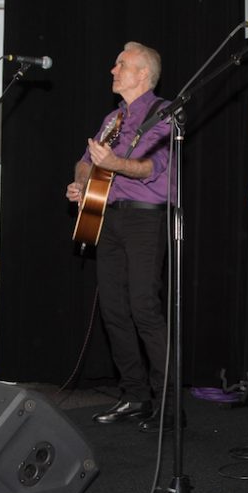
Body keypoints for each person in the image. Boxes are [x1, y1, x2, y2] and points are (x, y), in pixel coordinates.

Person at [66, 42, 174, 431]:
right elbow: (84, 161)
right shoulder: (113, 118)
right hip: (106, 218)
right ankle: (135, 396)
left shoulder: (165, 113)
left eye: (121, 65)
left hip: (145, 220)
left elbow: (152, 167)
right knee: (113, 309)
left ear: (142, 74)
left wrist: (114, 164)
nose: (113, 70)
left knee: (144, 306)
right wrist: (82, 184)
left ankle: (168, 403)